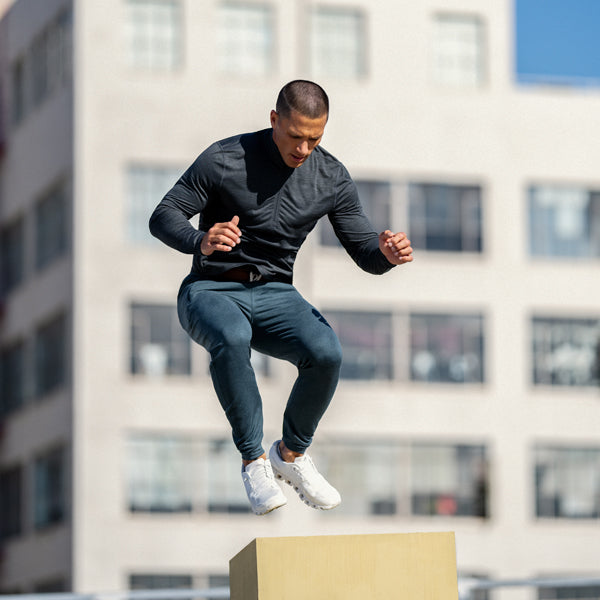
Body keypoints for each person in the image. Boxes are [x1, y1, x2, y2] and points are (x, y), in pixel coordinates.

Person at [149, 80, 413, 516]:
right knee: (231, 338)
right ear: (274, 120)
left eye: (315, 138)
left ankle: (290, 456)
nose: (304, 148)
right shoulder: (224, 158)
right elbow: (163, 215)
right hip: (211, 289)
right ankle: (253, 461)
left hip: (274, 293)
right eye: (296, 136)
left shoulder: (331, 177)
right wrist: (201, 239)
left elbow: (364, 249)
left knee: (326, 352)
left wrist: (385, 254)